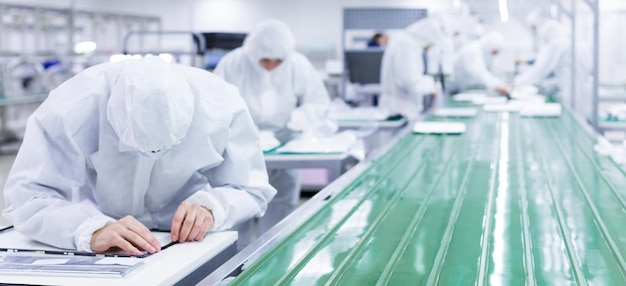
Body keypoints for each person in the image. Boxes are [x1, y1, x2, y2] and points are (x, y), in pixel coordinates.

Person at [2, 56, 277, 255]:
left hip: (186, 244)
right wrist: (88, 229)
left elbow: (252, 188)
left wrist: (213, 207)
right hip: (102, 245)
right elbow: (26, 197)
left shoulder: (221, 106)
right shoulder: (72, 107)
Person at [213, 19, 331, 248]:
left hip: (285, 146)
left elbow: (319, 102)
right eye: (264, 60)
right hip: (240, 152)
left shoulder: (298, 64)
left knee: (282, 213)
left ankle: (275, 266)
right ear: (252, 54)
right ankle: (234, 274)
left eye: (278, 61)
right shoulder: (233, 63)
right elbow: (215, 105)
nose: (270, 66)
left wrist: (302, 117)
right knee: (237, 214)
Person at [513, 20, 592, 117]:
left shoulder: (556, 44)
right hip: (584, 91)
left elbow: (539, 70)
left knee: (569, 120)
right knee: (579, 119)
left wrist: (518, 81)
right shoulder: (576, 43)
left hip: (568, 93)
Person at [379, 17, 445, 120]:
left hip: (402, 109)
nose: (429, 48)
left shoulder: (407, 42)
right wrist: (431, 85)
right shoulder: (405, 45)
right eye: (431, 44)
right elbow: (409, 81)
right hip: (400, 111)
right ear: (426, 37)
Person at [451, 31, 509, 96]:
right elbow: (478, 73)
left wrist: (501, 83)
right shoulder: (473, 49)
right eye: (494, 51)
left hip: (464, 90)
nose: (495, 54)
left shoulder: (485, 52)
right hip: (456, 89)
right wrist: (497, 85)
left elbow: (492, 70)